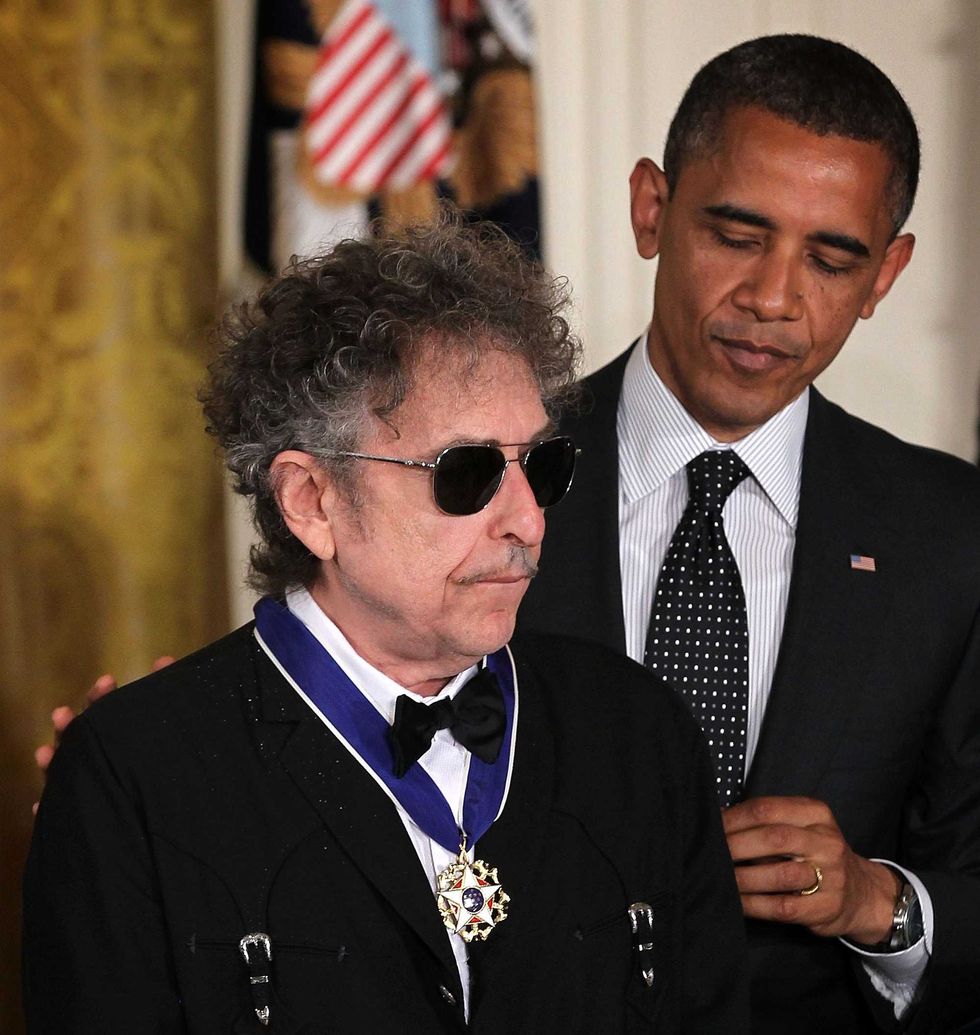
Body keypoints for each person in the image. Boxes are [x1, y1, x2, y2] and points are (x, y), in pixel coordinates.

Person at [23, 216, 749, 1033]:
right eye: (466, 473)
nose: (528, 521)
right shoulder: (134, 775)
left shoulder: (637, 730)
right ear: (312, 501)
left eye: (542, 464)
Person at [518, 34, 980, 1035]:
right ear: (651, 208)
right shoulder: (487, 479)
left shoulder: (951, 538)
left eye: (829, 257)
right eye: (735, 234)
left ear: (884, 275)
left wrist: (878, 902)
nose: (772, 299)